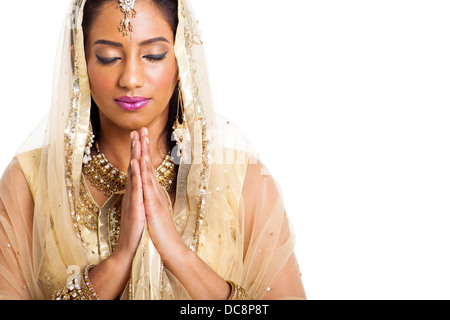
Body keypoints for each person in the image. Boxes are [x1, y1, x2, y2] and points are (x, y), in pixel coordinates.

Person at [0, 0, 306, 300]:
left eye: (154, 55)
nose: (131, 79)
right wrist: (118, 262)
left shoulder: (241, 183)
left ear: (181, 59)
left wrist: (177, 253)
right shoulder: (29, 185)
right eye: (108, 57)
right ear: (80, 61)